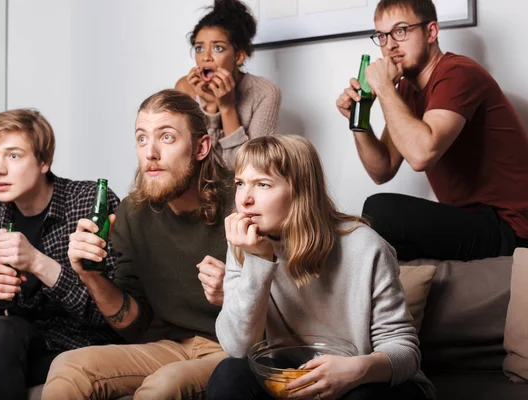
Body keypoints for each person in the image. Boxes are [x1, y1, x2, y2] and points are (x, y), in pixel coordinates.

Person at [207, 135, 436, 400]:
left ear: (301, 190)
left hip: (367, 379)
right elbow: (238, 347)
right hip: (293, 376)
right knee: (229, 375)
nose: (245, 199)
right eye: (240, 183)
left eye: (262, 184)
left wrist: (356, 370)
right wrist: (258, 260)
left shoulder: (365, 247)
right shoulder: (246, 242)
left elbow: (406, 352)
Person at [42, 90, 234, 400]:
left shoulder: (244, 199)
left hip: (236, 349)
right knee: (69, 367)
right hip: (171, 347)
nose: (151, 153)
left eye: (167, 138)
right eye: (142, 139)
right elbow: (133, 323)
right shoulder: (133, 212)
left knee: (163, 387)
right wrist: (90, 276)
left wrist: (236, 289)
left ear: (201, 147)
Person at [0, 109, 122, 400]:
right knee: (3, 328)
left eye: (13, 156)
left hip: (84, 345)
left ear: (44, 161)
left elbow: (112, 314)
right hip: (16, 343)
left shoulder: (89, 202)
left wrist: (37, 261)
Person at [336, 0, 528, 261]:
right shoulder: (405, 90)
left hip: (512, 228)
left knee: (379, 210)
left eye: (400, 31)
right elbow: (382, 169)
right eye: (381, 35)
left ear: (431, 32)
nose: (390, 45)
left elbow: (421, 155)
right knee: (369, 230)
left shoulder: (458, 73)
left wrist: (383, 88)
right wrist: (359, 119)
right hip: (470, 219)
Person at [176, 0, 281, 167]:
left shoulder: (265, 92)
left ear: (238, 56)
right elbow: (188, 161)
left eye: (218, 48)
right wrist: (210, 107)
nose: (206, 57)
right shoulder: (186, 88)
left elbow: (246, 167)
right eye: (199, 48)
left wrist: (226, 108)